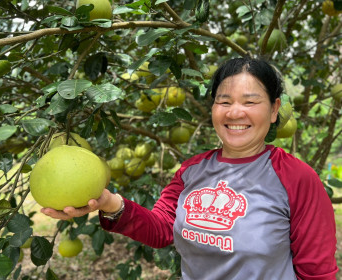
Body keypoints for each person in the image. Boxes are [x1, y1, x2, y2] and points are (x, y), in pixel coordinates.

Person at [41, 57, 338, 279]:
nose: (235, 112)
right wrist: (107, 202)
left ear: (274, 110)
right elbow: (161, 229)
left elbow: (316, 271)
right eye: (224, 101)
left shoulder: (297, 178)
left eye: (250, 101)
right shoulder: (192, 170)